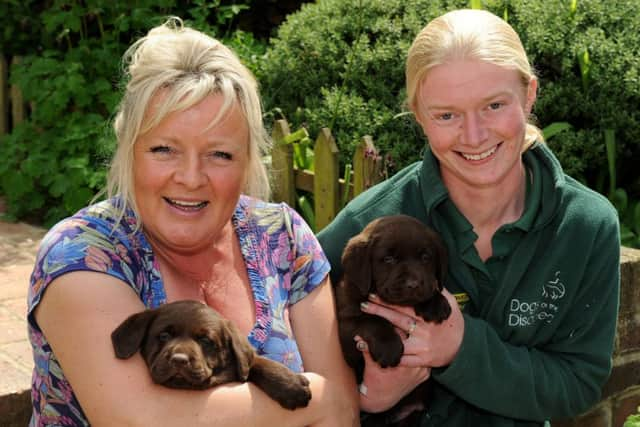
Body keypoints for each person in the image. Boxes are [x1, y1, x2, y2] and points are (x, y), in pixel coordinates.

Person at [27, 17, 358, 427]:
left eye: (219, 154)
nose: (190, 176)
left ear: (248, 160)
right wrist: (319, 399)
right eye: (164, 149)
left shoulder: (282, 236)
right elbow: (142, 420)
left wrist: (332, 401)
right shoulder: (82, 254)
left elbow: (344, 414)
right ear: (128, 150)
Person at [318, 8, 620, 427]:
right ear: (418, 114)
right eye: (446, 115)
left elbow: (578, 383)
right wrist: (367, 396)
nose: (474, 135)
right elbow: (290, 352)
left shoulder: (585, 226)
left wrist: (463, 349)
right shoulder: (368, 223)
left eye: (494, 105)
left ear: (529, 94)